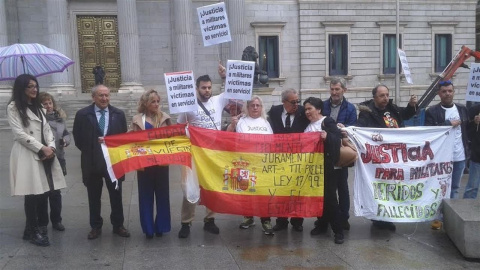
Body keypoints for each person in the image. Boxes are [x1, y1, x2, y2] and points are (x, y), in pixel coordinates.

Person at [7, 74, 66, 246]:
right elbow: (19, 134)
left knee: (42, 192)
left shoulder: (38, 106)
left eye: (35, 86)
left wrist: (51, 146)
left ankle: (32, 229)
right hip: (28, 153)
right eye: (30, 86)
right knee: (32, 194)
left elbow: (47, 128)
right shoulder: (13, 107)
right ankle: (33, 230)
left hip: (45, 154)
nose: (34, 89)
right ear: (21, 88)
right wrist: (41, 148)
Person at [72, 84, 130, 240]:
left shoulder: (118, 114)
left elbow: (123, 136)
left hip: (113, 161)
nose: (104, 98)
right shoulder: (83, 115)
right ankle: (95, 226)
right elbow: (78, 138)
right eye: (101, 95)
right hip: (92, 163)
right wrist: (92, 149)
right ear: (93, 97)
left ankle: (118, 225)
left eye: (107, 95)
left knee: (116, 195)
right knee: (93, 196)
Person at [357, 84, 418, 231]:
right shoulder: (367, 113)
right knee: (379, 187)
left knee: (392, 187)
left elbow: (406, 114)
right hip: (378, 158)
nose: (385, 98)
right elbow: (361, 128)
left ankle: (389, 216)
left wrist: (411, 105)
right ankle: (378, 218)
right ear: (374, 97)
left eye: (387, 95)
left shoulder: (393, 108)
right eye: (381, 95)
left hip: (395, 156)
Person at [176, 74, 230, 238]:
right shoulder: (188, 107)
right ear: (197, 88)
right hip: (195, 154)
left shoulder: (218, 100)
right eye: (203, 88)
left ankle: (210, 219)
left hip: (213, 153)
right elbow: (179, 127)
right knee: (189, 187)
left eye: (209, 87)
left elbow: (232, 91)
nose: (207, 91)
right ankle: (186, 222)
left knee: (212, 185)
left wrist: (225, 76)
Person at [226, 95, 275, 235]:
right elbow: (229, 137)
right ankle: (248, 217)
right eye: (252, 105)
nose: (255, 108)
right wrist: (233, 124)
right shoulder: (241, 122)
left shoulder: (266, 122)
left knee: (263, 192)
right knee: (246, 191)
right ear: (247, 108)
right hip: (245, 162)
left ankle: (266, 220)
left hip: (262, 163)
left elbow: (272, 142)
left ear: (261, 108)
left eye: (257, 105)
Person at [425, 80, 468, 230]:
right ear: (439, 94)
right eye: (444, 91)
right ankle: (438, 218)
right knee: (439, 188)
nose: (447, 94)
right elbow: (429, 131)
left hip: (459, 156)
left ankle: (452, 220)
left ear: (453, 92)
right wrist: (447, 123)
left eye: (450, 91)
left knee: (455, 188)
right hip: (441, 158)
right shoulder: (432, 111)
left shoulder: (462, 109)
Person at [131, 89, 172, 239]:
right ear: (146, 103)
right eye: (153, 101)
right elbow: (130, 138)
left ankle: (161, 226)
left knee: (163, 196)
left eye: (157, 101)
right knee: (145, 196)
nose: (156, 104)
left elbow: (172, 138)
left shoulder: (165, 118)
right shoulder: (137, 119)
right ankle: (148, 229)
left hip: (161, 164)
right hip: (144, 164)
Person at [267, 88, 310, 232]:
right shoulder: (274, 111)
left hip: (298, 159)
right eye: (293, 102)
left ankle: (297, 221)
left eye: (298, 101)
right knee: (281, 191)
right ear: (283, 102)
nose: (296, 104)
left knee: (298, 191)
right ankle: (281, 221)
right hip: (279, 159)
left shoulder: (303, 112)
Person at [302, 97, 344, 244]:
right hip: (313, 169)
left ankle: (338, 231)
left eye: (310, 109)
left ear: (318, 109)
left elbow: (338, 139)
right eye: (305, 109)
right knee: (318, 198)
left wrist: (327, 138)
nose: (307, 112)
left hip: (327, 167)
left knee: (331, 199)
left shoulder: (327, 121)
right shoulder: (308, 125)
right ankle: (322, 224)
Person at [321, 77, 357, 230]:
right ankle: (326, 217)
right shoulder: (322, 106)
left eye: (337, 89)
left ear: (344, 90)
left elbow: (354, 128)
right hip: (325, 150)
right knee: (326, 187)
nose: (334, 92)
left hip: (341, 150)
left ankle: (343, 218)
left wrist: (345, 128)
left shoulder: (350, 108)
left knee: (342, 185)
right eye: (332, 89)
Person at [39, 92, 71, 232]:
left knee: (56, 192)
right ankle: (42, 222)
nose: (49, 106)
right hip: (43, 159)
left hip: (59, 158)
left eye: (50, 103)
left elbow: (66, 133)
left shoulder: (59, 119)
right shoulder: (39, 120)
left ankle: (57, 220)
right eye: (45, 104)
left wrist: (66, 140)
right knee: (43, 192)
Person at [464, 102, 480, 199]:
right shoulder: (475, 110)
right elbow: (467, 132)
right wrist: (474, 123)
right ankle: (465, 211)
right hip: (477, 156)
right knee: (472, 187)